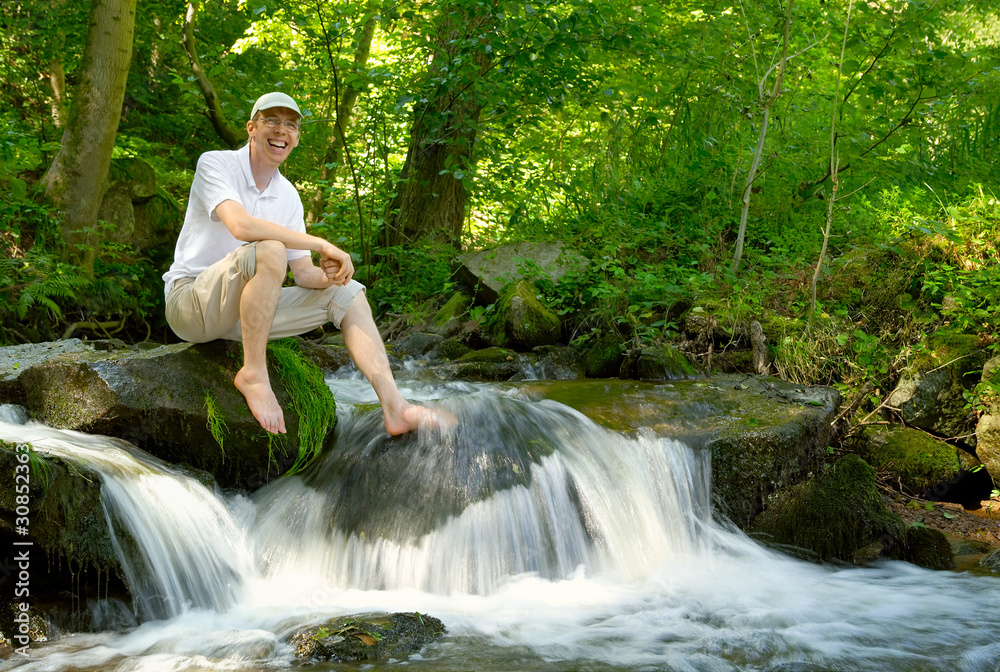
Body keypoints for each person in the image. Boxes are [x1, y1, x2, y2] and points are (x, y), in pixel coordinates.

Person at [163, 91, 442, 436]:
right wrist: (321, 242)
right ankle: (254, 374)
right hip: (192, 305)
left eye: (291, 125)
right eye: (272, 120)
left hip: (245, 318)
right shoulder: (215, 163)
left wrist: (333, 276)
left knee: (350, 293)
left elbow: (305, 274)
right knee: (270, 249)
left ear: (296, 138)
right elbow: (241, 226)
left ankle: (395, 407)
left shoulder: (289, 195)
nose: (282, 130)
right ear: (252, 127)